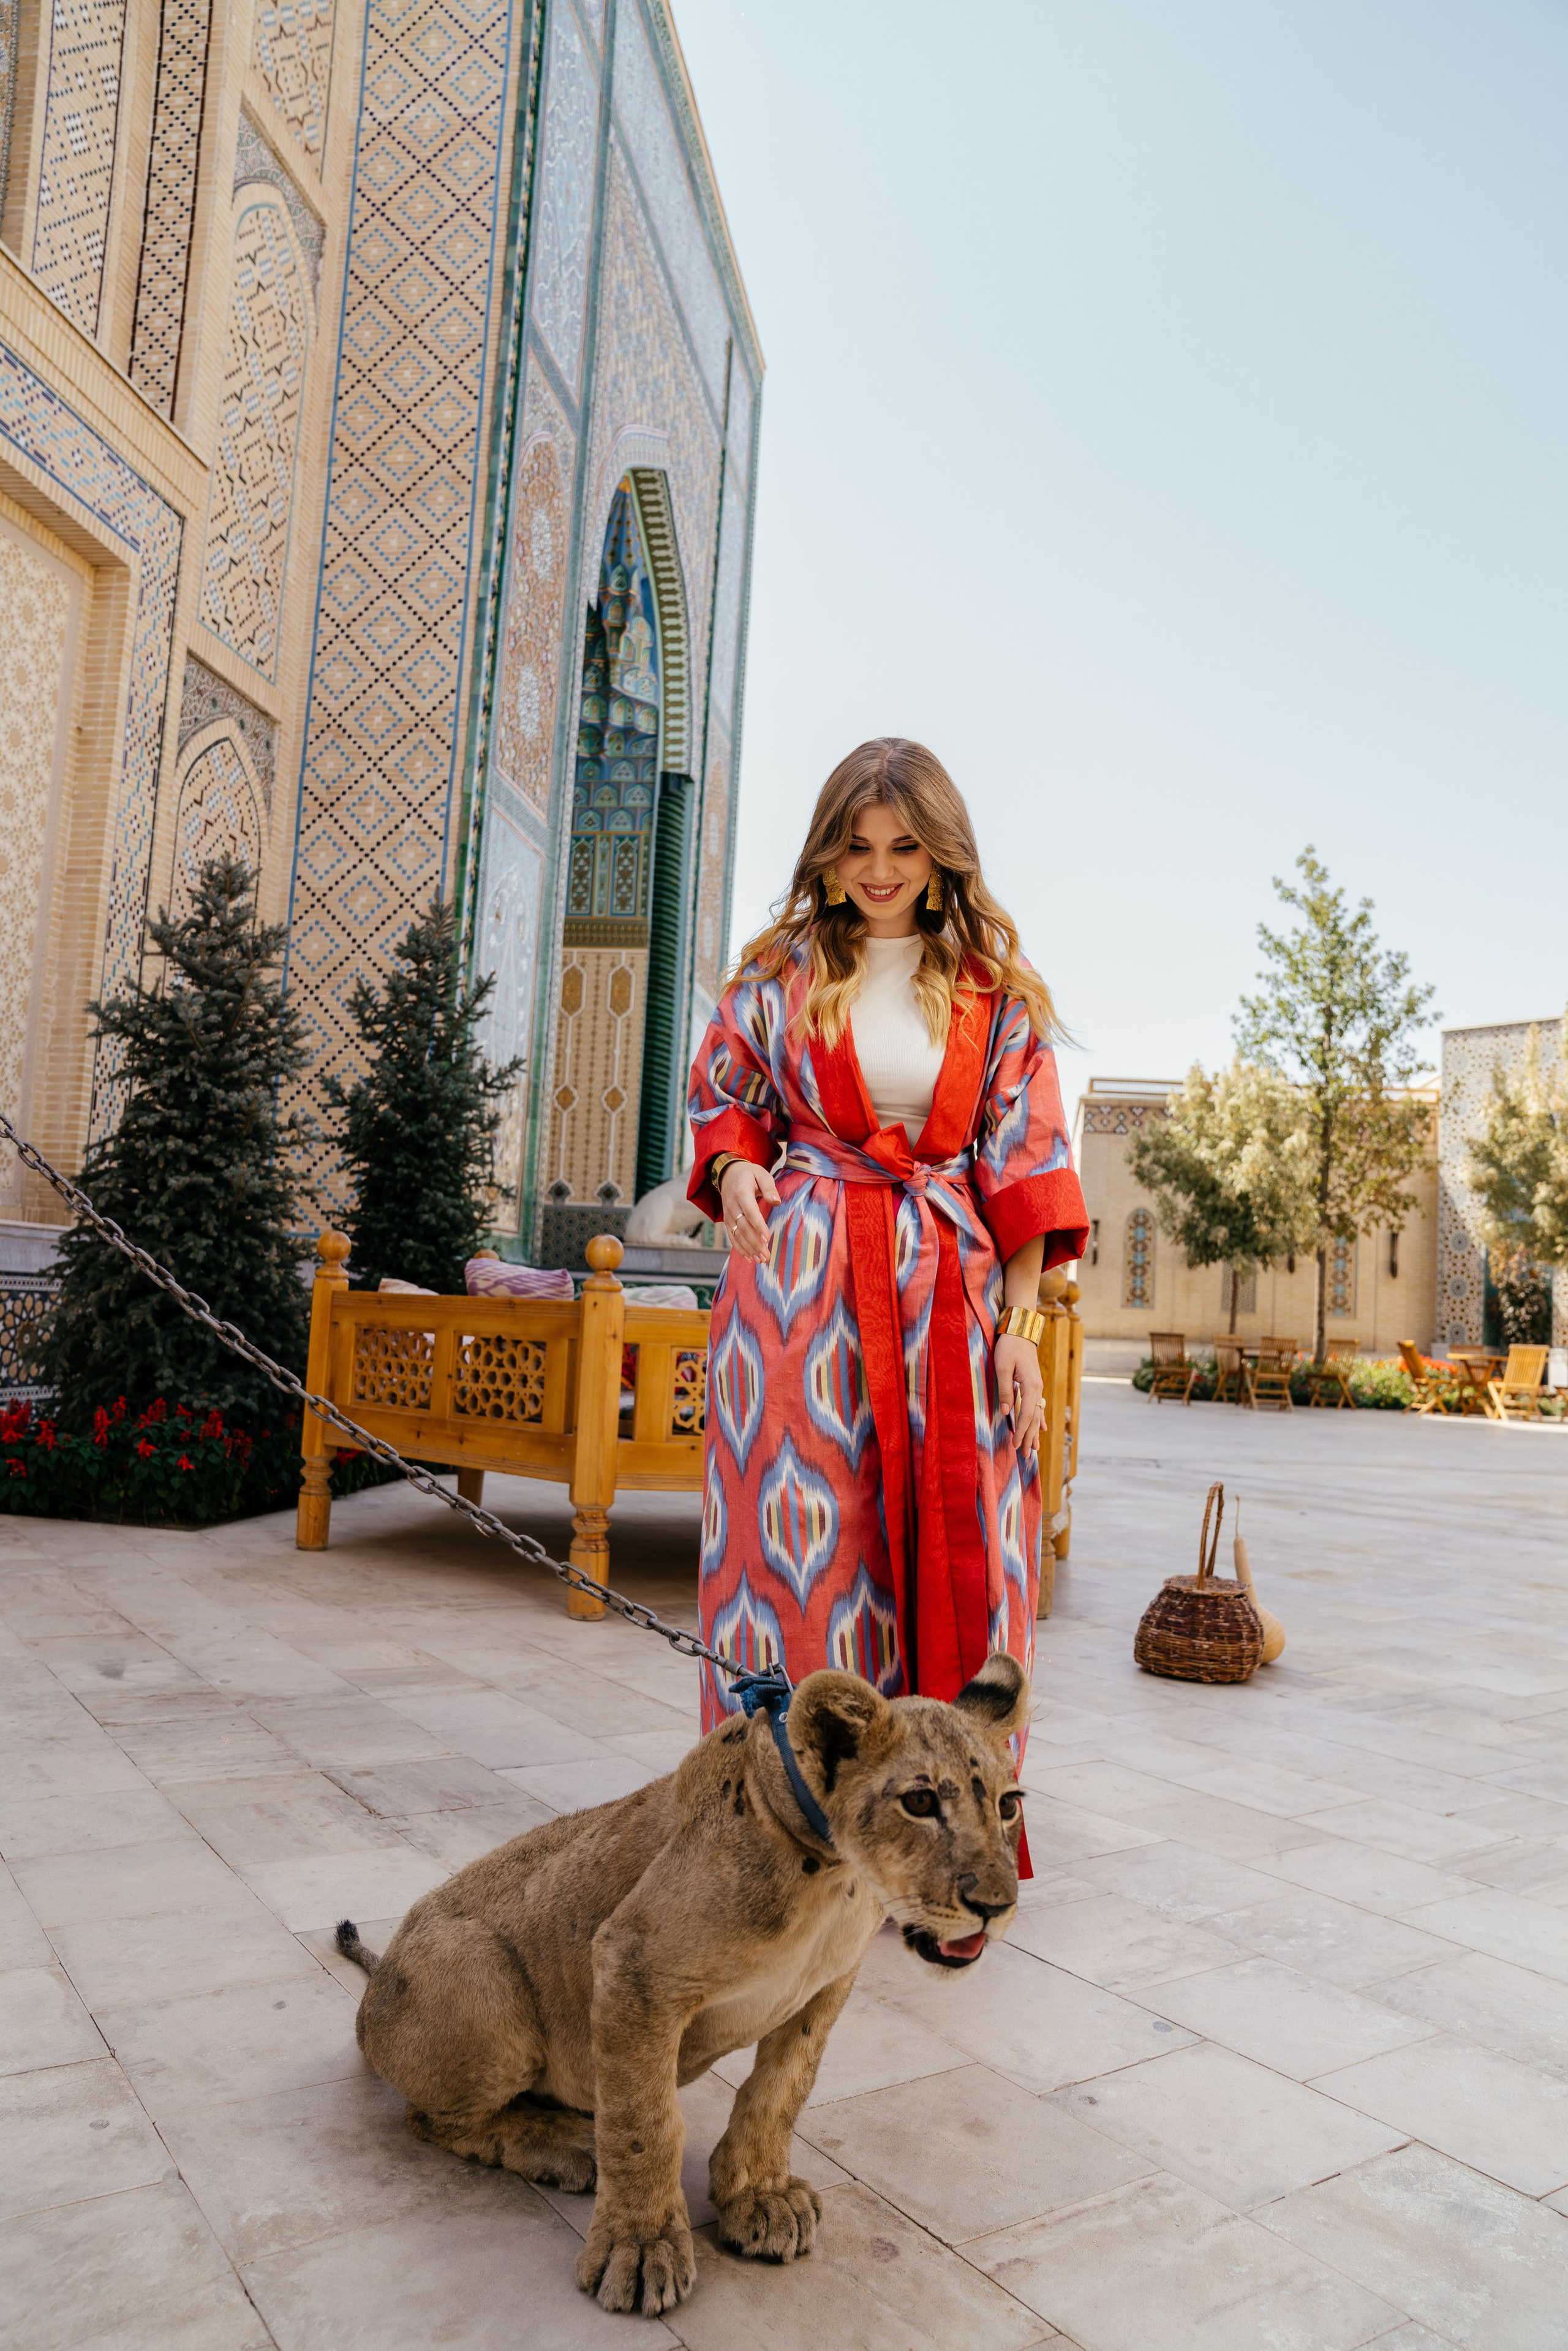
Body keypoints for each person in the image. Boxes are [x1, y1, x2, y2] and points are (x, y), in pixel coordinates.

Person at [686, 738, 1088, 1791]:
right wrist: (734, 1168)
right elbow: (726, 1098)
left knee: (969, 1544)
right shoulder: (777, 977)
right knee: (803, 1541)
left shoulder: (995, 995)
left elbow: (1028, 1166)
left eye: (904, 847)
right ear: (827, 851)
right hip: (796, 1303)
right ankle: (784, 1800)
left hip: (947, 1299)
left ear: (941, 854)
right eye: (857, 845)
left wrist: (1020, 1330)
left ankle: (944, 1804)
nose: (878, 869)